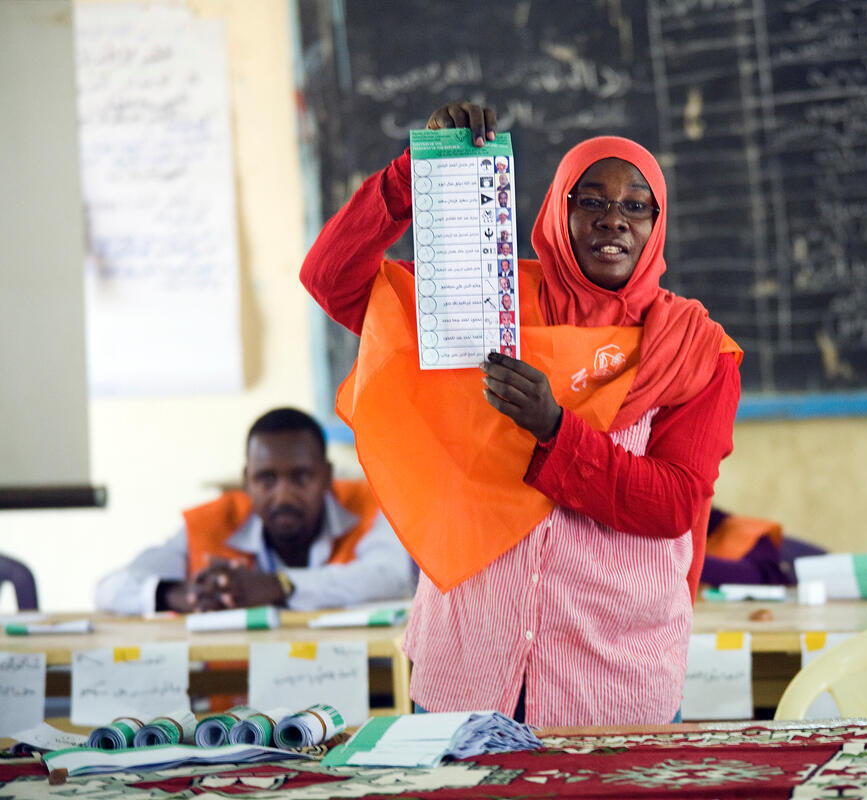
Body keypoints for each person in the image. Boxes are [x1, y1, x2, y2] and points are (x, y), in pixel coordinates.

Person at [300, 100, 740, 726]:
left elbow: (672, 504)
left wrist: (556, 430)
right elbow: (331, 277)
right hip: (466, 665)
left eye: (636, 206)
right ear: (558, 210)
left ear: (656, 223)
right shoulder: (486, 302)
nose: (613, 220)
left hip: (613, 680)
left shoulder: (692, 347)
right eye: (591, 201)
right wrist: (413, 173)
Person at [95, 408, 417, 615]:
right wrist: (179, 594)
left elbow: (391, 577)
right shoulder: (213, 522)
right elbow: (109, 589)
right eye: (266, 479)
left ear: (327, 476)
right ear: (246, 481)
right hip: (236, 697)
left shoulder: (370, 504)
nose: (283, 494)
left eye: (300, 477)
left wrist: (279, 585)